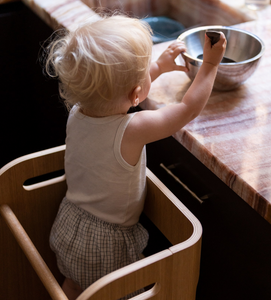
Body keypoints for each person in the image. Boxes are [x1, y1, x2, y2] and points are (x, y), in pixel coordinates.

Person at [45, 13, 226, 300]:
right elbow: (187, 110)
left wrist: (155, 68)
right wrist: (211, 65)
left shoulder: (78, 112)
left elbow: (119, 92)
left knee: (75, 287)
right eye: (144, 69)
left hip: (70, 224)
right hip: (106, 244)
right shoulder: (132, 129)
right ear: (137, 92)